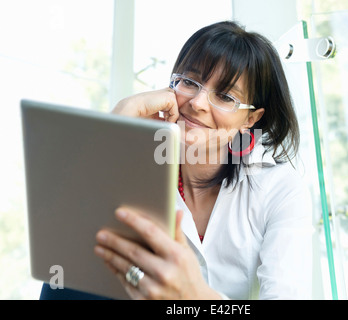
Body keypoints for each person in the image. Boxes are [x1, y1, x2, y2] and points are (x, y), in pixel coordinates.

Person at [40, 20, 312, 300]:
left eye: (225, 96)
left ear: (251, 119)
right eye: (189, 82)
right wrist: (120, 121)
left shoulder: (280, 189)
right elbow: (63, 253)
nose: (197, 103)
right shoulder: (136, 166)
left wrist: (191, 297)